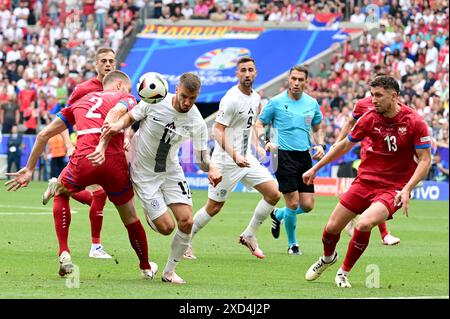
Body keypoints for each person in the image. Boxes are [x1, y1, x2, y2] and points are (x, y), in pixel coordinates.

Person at [5, 71, 158, 280]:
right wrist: (104, 143)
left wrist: (29, 169)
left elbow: (43, 135)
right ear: (121, 85)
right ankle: (145, 268)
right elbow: (115, 112)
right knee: (130, 217)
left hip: (83, 160)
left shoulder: (81, 101)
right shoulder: (127, 97)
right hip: (112, 161)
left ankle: (64, 253)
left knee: (61, 192)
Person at [303, 76, 431, 288]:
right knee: (332, 228)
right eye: (372, 95)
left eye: (378, 95)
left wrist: (407, 189)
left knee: (363, 223)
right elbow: (345, 146)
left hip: (394, 188)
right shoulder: (369, 117)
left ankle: (343, 272)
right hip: (365, 181)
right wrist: (315, 169)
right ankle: (327, 259)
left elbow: (425, 160)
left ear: (394, 95)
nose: (373, 100)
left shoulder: (415, 121)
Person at [96, 72, 222, 284]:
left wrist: (211, 167)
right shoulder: (155, 100)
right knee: (166, 228)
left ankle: (169, 272)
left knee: (186, 221)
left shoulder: (197, 122)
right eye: (183, 96)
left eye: (192, 98)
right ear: (176, 89)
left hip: (171, 170)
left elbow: (201, 159)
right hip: (144, 173)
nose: (187, 102)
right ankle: (150, 210)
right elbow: (132, 116)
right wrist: (118, 126)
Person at [185, 57, 281, 261]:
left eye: (251, 70)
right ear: (237, 74)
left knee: (273, 194)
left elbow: (254, 124)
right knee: (214, 207)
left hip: (246, 158)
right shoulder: (231, 99)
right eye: (243, 70)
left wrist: (262, 145)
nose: (247, 74)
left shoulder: (255, 98)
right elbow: (217, 132)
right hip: (226, 161)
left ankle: (249, 235)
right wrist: (235, 155)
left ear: (256, 73)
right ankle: (185, 241)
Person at [43, 47, 117, 259]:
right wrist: (68, 145)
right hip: (85, 148)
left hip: (108, 150)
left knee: (97, 195)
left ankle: (57, 184)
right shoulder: (84, 89)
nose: (107, 64)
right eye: (103, 61)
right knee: (99, 194)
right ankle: (93, 246)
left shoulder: (120, 88)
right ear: (95, 65)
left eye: (111, 60)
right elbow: (64, 120)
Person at [255, 65, 325, 255]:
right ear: (288, 79)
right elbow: (260, 123)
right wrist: (266, 142)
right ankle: (293, 245)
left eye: (300, 80)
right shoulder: (276, 102)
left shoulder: (311, 103)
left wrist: (320, 145)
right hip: (281, 154)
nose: (296, 83)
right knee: (293, 203)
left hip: (304, 155)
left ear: (306, 82)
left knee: (308, 206)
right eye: (293, 79)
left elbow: (318, 128)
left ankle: (278, 214)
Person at [335, 78, 401, 245]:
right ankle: (384, 234)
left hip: (385, 154)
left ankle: (353, 219)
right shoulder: (363, 104)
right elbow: (350, 122)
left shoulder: (391, 104)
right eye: (374, 93)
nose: (375, 97)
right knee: (375, 192)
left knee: (377, 194)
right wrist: (338, 141)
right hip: (369, 153)